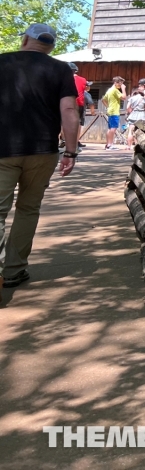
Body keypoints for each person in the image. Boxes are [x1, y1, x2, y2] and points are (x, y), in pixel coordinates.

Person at [0, 23, 79, 292]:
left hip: (2, 150)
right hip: (42, 150)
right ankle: (13, 270)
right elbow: (69, 110)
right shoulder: (60, 69)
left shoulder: (2, 63)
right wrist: (70, 151)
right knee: (28, 208)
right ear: (51, 46)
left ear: (25, 40)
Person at [101, 77, 126, 149]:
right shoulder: (115, 90)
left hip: (110, 110)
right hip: (114, 111)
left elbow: (103, 100)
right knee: (113, 128)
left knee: (110, 128)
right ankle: (110, 144)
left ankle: (108, 144)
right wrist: (123, 89)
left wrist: (108, 106)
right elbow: (124, 97)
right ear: (115, 83)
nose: (121, 85)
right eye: (120, 83)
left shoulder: (109, 90)